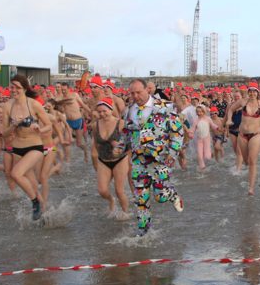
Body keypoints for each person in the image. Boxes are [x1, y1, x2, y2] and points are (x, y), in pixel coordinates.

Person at [123, 79, 185, 236]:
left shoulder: (164, 106)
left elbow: (177, 132)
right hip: (138, 160)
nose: (135, 96)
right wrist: (120, 148)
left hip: (161, 159)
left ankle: (171, 193)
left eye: (138, 92)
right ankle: (143, 232)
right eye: (132, 93)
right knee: (141, 199)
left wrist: (173, 153)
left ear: (147, 90)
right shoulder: (130, 109)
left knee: (160, 196)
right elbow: (126, 133)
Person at [0, 75, 52, 220]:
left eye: (17, 87)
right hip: (17, 148)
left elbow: (48, 125)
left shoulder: (33, 104)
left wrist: (39, 129)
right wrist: (14, 125)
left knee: (15, 174)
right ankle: (45, 214)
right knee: (33, 185)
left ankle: (34, 202)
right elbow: (4, 133)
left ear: (24, 88)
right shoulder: (7, 106)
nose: (14, 90)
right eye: (12, 87)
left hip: (34, 146)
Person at [225, 82, 260, 195]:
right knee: (246, 161)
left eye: (254, 91)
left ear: (257, 92)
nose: (252, 93)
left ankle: (251, 188)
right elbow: (231, 109)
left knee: (252, 161)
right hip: (242, 135)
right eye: (250, 91)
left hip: (255, 135)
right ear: (248, 92)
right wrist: (228, 120)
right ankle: (248, 173)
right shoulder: (243, 102)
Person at [94, 97, 130, 219]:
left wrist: (118, 145)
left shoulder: (120, 123)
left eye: (104, 111)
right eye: (99, 112)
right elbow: (95, 144)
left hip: (120, 159)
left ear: (111, 109)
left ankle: (125, 214)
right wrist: (96, 158)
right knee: (102, 190)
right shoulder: (96, 124)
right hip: (103, 160)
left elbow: (130, 143)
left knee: (119, 191)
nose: (102, 114)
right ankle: (111, 200)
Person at [189, 105, 219, 170]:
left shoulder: (208, 118)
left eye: (200, 112)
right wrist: (191, 134)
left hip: (207, 139)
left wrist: (217, 127)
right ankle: (202, 167)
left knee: (207, 156)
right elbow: (193, 128)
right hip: (199, 139)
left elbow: (212, 125)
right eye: (197, 112)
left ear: (203, 112)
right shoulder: (196, 120)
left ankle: (210, 154)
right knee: (199, 155)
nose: (199, 113)